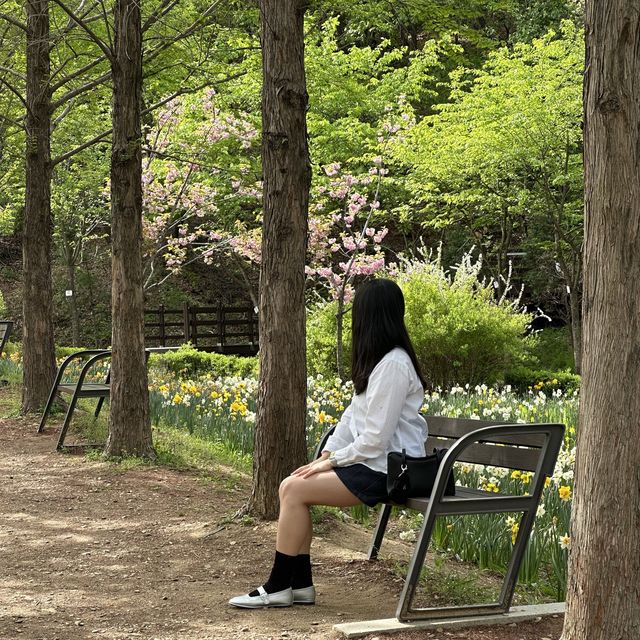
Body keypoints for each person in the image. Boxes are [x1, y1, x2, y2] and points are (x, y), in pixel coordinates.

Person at [229, 278, 428, 609]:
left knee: (293, 490)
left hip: (387, 471)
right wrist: (328, 452)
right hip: (371, 463)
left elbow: (376, 439)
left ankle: (279, 585)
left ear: (370, 316)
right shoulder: (379, 360)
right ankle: (300, 585)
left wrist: (333, 462)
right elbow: (353, 416)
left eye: (358, 312)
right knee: (293, 486)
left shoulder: (393, 364)